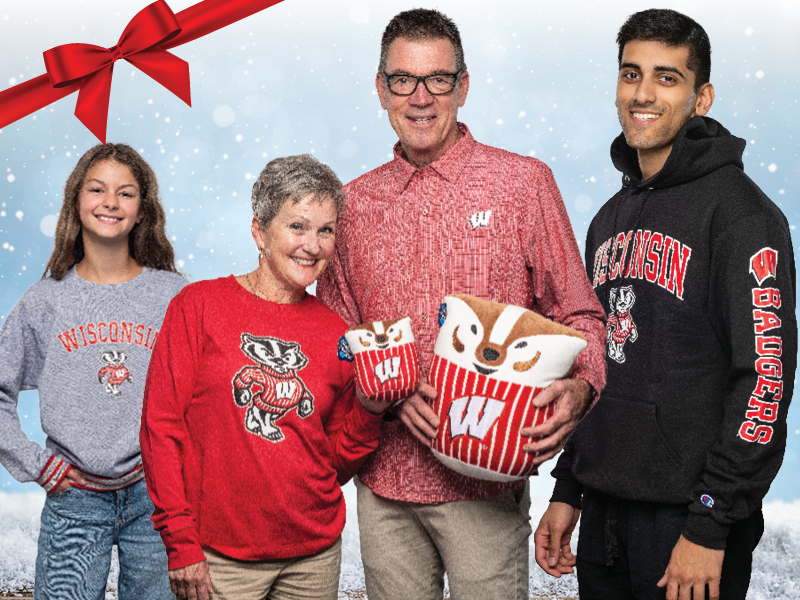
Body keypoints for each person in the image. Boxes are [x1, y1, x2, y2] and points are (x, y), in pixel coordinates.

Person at [316, 9, 607, 600]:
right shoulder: (351, 204)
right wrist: (390, 400)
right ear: (380, 89)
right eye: (403, 79)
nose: (420, 97)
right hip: (383, 482)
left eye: (438, 79)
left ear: (463, 86)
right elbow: (337, 336)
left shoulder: (523, 184)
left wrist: (583, 388)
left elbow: (582, 314)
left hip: (487, 483)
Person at [535, 9, 796, 600]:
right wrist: (569, 490)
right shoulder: (609, 218)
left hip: (687, 522)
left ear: (701, 97)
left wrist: (709, 521)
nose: (643, 94)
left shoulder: (742, 217)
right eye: (631, 75)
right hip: (604, 512)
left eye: (666, 77)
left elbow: (766, 378)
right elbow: (598, 364)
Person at [140, 154, 389, 600]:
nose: (312, 245)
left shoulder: (336, 333)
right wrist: (179, 542)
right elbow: (160, 429)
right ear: (259, 230)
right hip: (220, 558)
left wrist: (370, 410)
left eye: (325, 230)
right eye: (297, 226)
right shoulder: (197, 306)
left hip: (314, 556)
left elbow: (333, 462)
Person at [0, 143, 185, 599]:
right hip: (73, 499)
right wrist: (37, 464)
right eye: (97, 189)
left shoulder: (174, 296)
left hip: (155, 496)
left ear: (143, 210)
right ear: (76, 201)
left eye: (126, 193)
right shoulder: (45, 301)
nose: (110, 202)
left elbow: (204, 394)